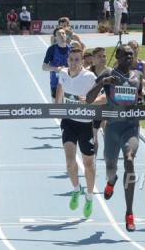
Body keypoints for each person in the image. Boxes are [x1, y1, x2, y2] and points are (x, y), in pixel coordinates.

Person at [86, 44, 144, 232]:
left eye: (132, 55)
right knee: (111, 168)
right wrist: (103, 83)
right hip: (112, 129)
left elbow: (142, 98)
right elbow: (88, 99)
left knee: (129, 160)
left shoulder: (138, 77)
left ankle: (129, 213)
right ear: (117, 56)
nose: (129, 57)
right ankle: (112, 181)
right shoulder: (108, 73)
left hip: (131, 127)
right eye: (125, 55)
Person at [55, 48, 97, 218]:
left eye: (76, 60)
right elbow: (61, 87)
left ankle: (89, 196)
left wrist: (88, 101)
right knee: (70, 163)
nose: (73, 62)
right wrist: (57, 106)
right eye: (71, 59)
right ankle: (76, 189)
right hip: (68, 122)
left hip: (85, 125)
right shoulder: (63, 73)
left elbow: (101, 97)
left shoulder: (89, 77)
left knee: (88, 165)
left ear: (82, 62)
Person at [88, 47, 109, 157]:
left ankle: (108, 161)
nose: (102, 58)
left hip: (106, 108)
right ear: (93, 58)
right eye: (99, 56)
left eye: (104, 56)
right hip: (92, 109)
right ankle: (94, 161)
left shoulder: (110, 72)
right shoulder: (87, 73)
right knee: (94, 138)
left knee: (108, 137)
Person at [42, 26, 71, 102]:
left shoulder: (71, 49)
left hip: (69, 83)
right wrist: (55, 68)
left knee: (70, 108)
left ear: (66, 35)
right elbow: (44, 67)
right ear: (55, 38)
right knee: (56, 108)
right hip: (55, 83)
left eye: (63, 33)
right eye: (59, 34)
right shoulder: (51, 49)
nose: (62, 35)